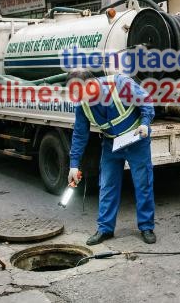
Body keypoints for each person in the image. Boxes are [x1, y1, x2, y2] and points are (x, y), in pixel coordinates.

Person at [66, 69, 157, 246]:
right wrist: (74, 165)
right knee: (107, 185)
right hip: (111, 145)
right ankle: (105, 229)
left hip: (136, 139)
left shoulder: (120, 83)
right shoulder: (82, 104)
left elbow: (145, 100)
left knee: (143, 183)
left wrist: (145, 124)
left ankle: (146, 227)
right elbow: (79, 134)